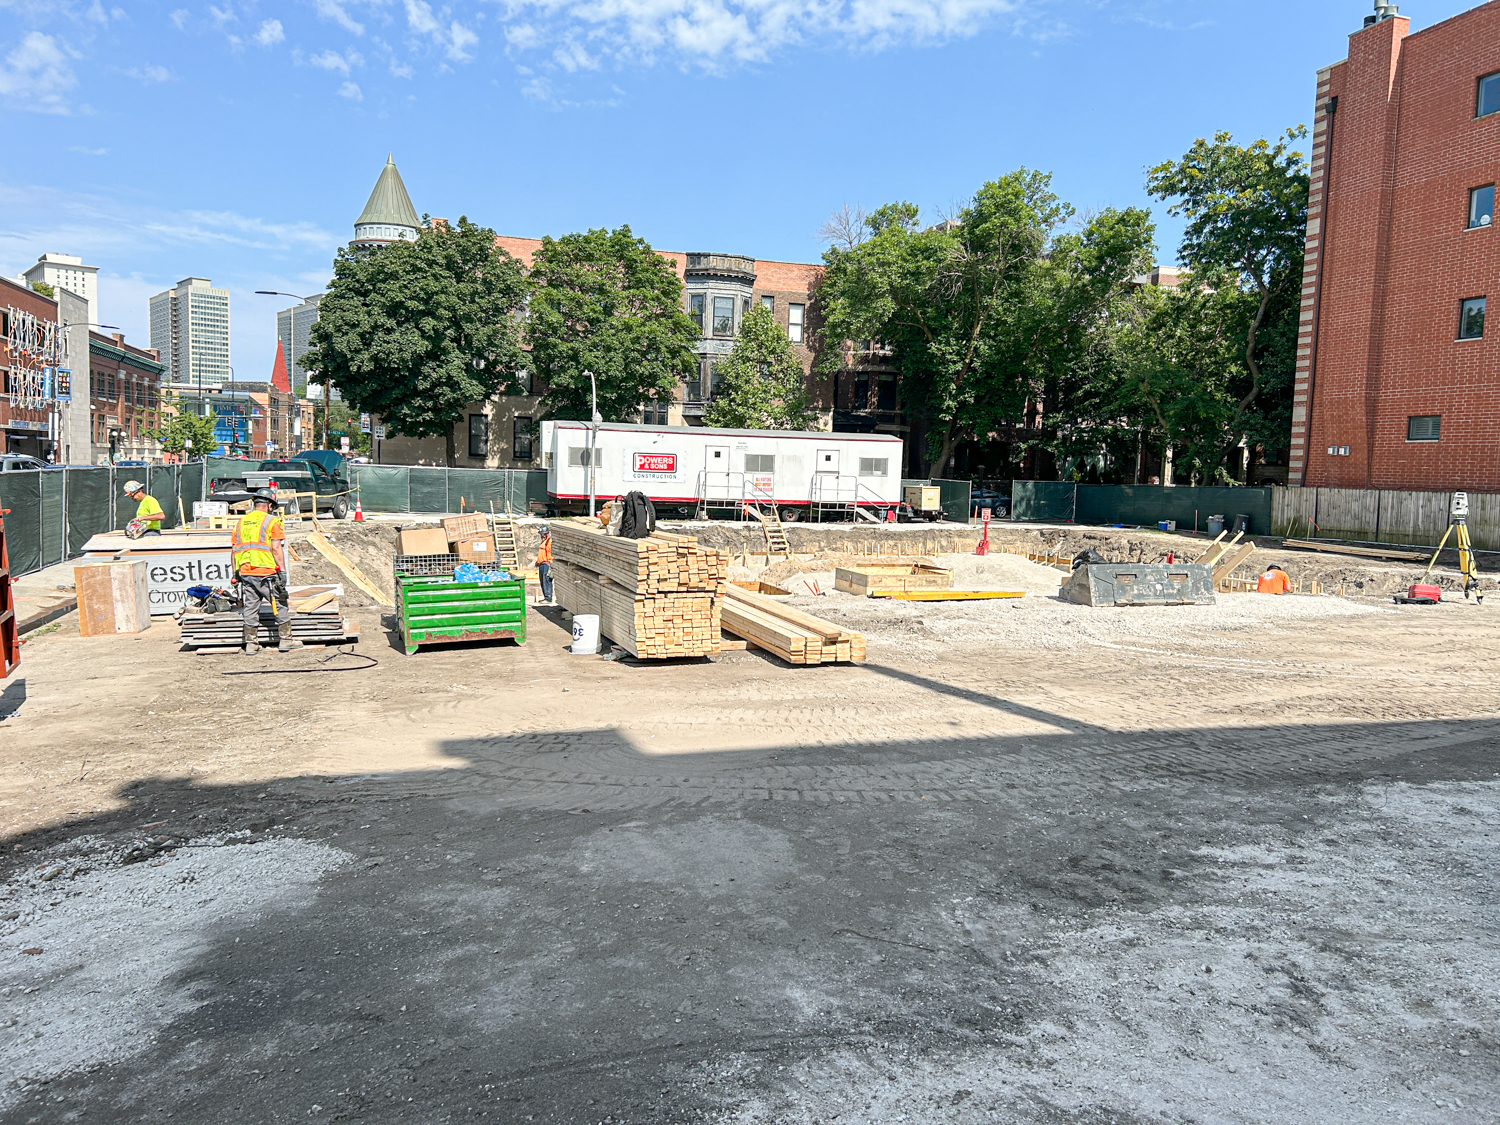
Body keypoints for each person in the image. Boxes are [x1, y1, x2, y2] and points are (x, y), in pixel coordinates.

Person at [231, 488, 303, 655]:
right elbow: (276, 548)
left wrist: (236, 572)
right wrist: (283, 572)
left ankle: (251, 644)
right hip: (267, 571)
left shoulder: (241, 522)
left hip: (246, 571)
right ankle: (286, 640)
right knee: (280, 603)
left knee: (250, 607)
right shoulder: (271, 521)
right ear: (269, 505)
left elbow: (234, 549)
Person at [535, 524, 554, 605]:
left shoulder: (549, 542)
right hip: (542, 564)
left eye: (542, 534)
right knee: (543, 581)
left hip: (547, 564)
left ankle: (548, 597)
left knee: (547, 581)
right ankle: (546, 597)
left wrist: (551, 566)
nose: (541, 535)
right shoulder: (544, 541)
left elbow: (551, 554)